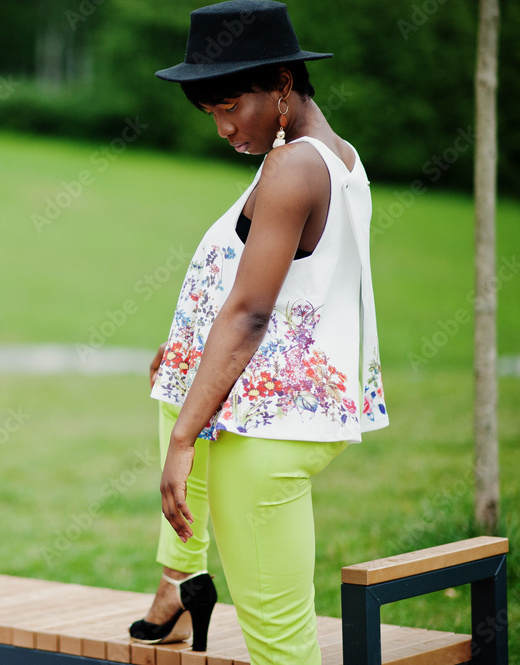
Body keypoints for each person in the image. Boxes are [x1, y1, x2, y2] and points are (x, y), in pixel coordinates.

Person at [127, 2, 389, 663]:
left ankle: (178, 582)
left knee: (279, 646)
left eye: (228, 105)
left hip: (267, 433)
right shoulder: (336, 156)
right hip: (266, 408)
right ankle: (179, 585)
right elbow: (293, 285)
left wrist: (184, 437)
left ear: (280, 81)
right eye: (208, 112)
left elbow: (251, 313)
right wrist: (189, 352)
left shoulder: (294, 167)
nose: (220, 127)